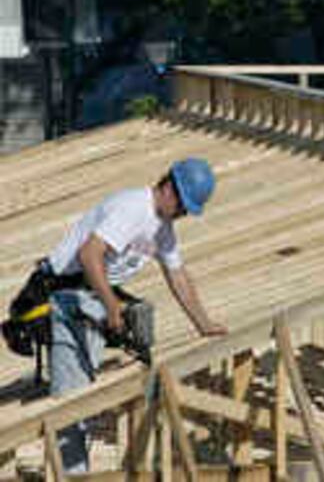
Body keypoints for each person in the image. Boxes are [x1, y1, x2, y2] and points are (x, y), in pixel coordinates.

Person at [42, 157, 227, 473]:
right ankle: (70, 474)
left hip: (90, 298)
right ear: (169, 188)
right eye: (183, 206)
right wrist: (112, 305)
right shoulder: (133, 208)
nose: (183, 214)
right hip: (67, 296)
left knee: (89, 390)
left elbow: (178, 276)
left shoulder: (162, 227)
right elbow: (89, 255)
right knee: (70, 407)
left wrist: (204, 324)